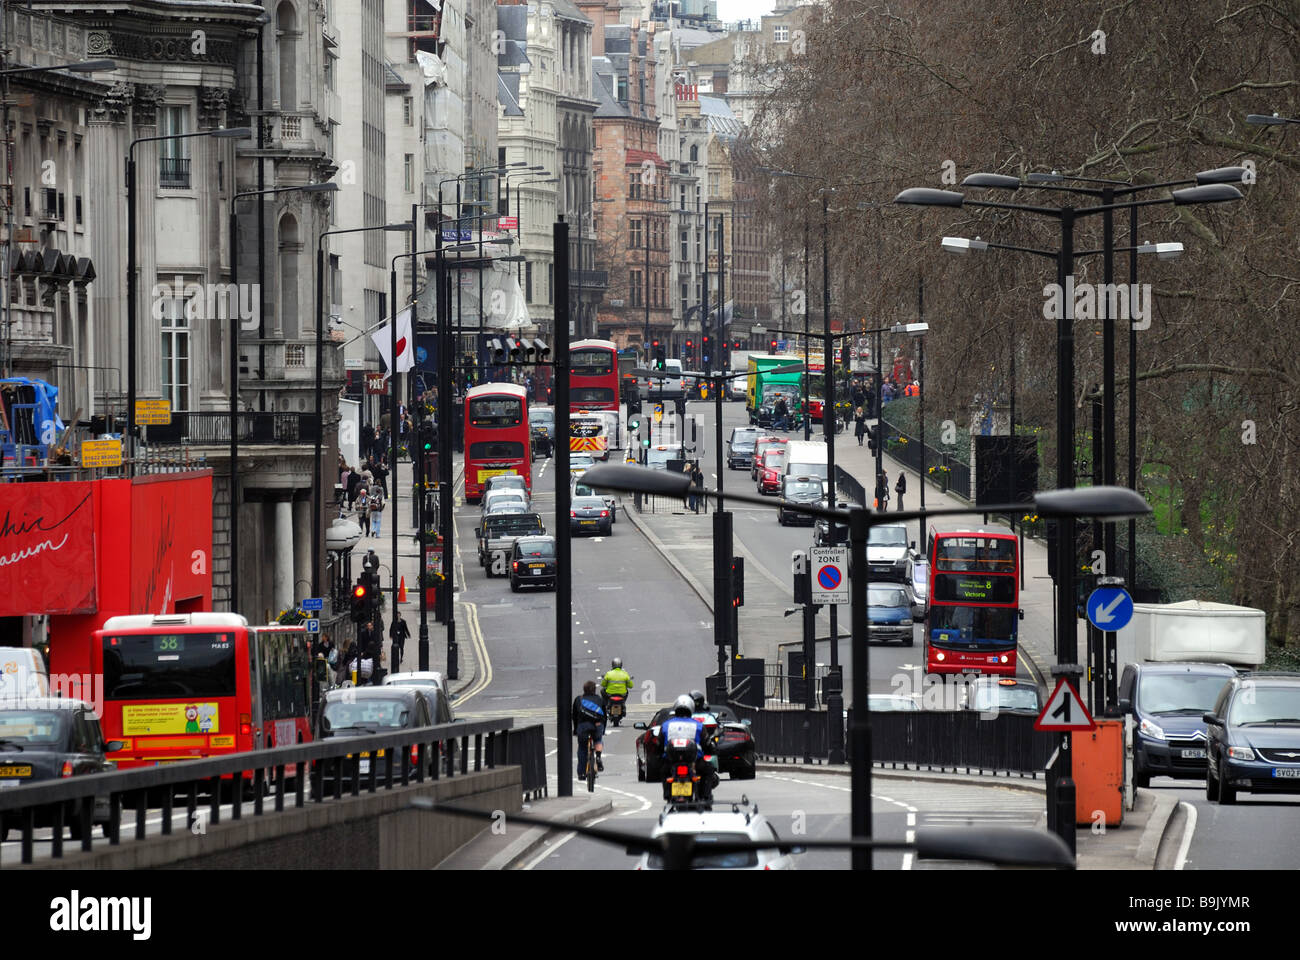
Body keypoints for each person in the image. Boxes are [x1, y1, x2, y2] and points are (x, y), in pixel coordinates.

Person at [660, 694, 718, 800]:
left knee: (664, 770)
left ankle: (667, 793)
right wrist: (711, 750)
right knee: (708, 770)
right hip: (695, 762)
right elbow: (707, 744)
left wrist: (660, 755)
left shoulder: (666, 725)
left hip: (671, 762)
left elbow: (659, 744)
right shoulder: (699, 725)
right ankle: (705, 796)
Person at [572, 680, 607, 778]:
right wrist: (603, 729)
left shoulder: (578, 699)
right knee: (598, 739)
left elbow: (574, 716)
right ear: (595, 690)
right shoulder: (600, 699)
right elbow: (605, 716)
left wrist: (575, 730)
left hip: (583, 726)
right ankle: (598, 756)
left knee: (582, 748)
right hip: (597, 725)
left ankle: (582, 772)